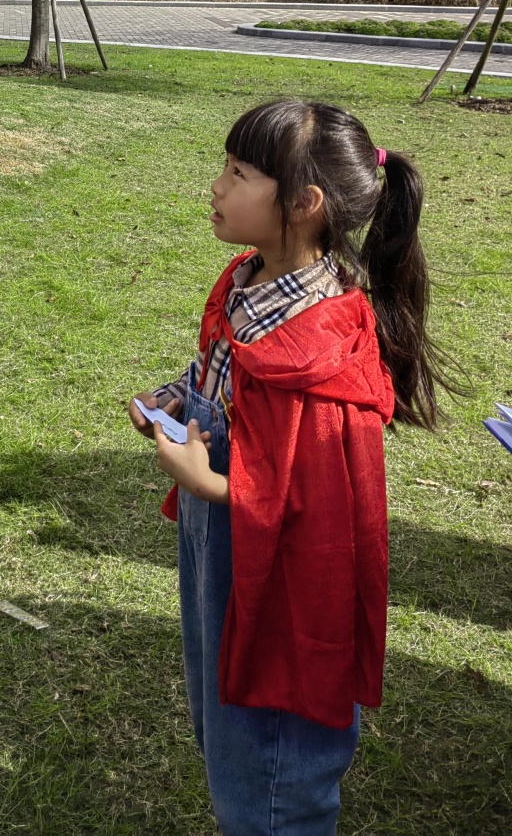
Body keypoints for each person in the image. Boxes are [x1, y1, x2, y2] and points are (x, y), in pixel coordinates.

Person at [129, 99, 454, 836]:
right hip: (226, 548)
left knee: (272, 749)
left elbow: (315, 502)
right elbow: (232, 382)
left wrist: (206, 479)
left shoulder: (321, 346)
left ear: (304, 205)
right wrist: (180, 398)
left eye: (239, 173)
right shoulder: (251, 282)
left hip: (279, 572)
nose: (216, 185)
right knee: (225, 710)